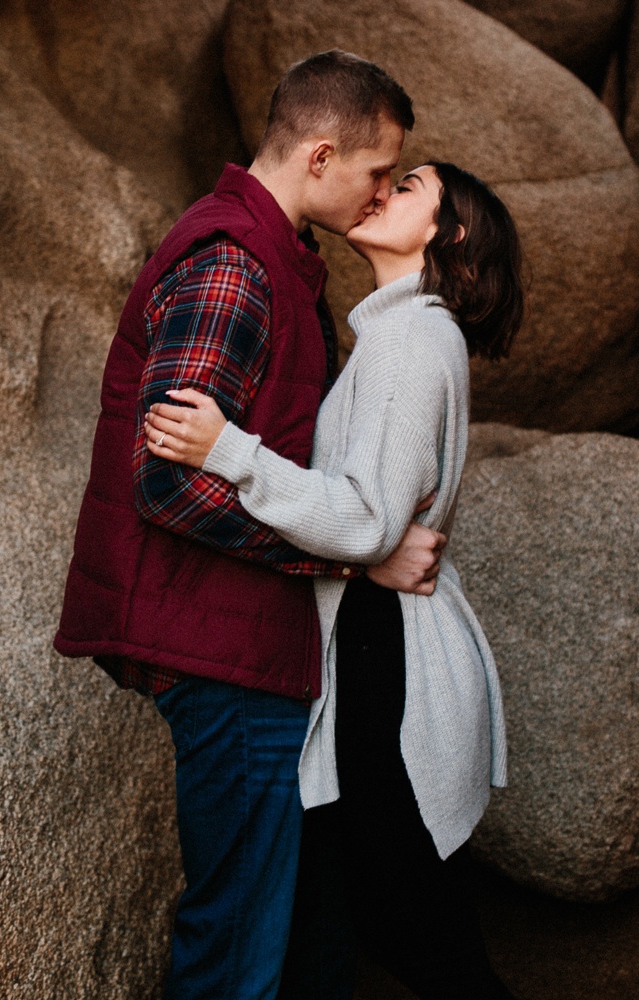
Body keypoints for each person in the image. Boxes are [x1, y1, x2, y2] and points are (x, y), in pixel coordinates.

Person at [54, 50, 449, 1000]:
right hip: (219, 651)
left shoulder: (277, 263)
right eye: (375, 172)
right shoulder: (234, 266)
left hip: (243, 641)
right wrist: (358, 562)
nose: (380, 191)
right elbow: (166, 482)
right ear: (320, 157)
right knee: (236, 944)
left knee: (275, 922)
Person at [142, 161, 525, 999]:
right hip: (375, 647)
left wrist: (227, 451)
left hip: (389, 662)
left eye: (410, 184)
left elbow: (365, 521)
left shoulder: (410, 342)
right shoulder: (399, 338)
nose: (383, 188)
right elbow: (375, 531)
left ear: (447, 232)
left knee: (418, 933)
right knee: (347, 921)